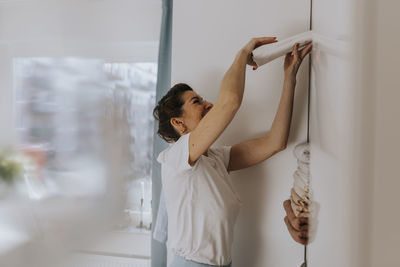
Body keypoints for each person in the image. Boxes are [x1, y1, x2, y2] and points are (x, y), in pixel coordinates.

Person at [153, 37, 313, 267]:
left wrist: (290, 78)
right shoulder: (175, 157)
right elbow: (230, 102)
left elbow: (275, 142)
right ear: (179, 123)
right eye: (197, 101)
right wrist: (242, 54)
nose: (209, 104)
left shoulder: (215, 158)